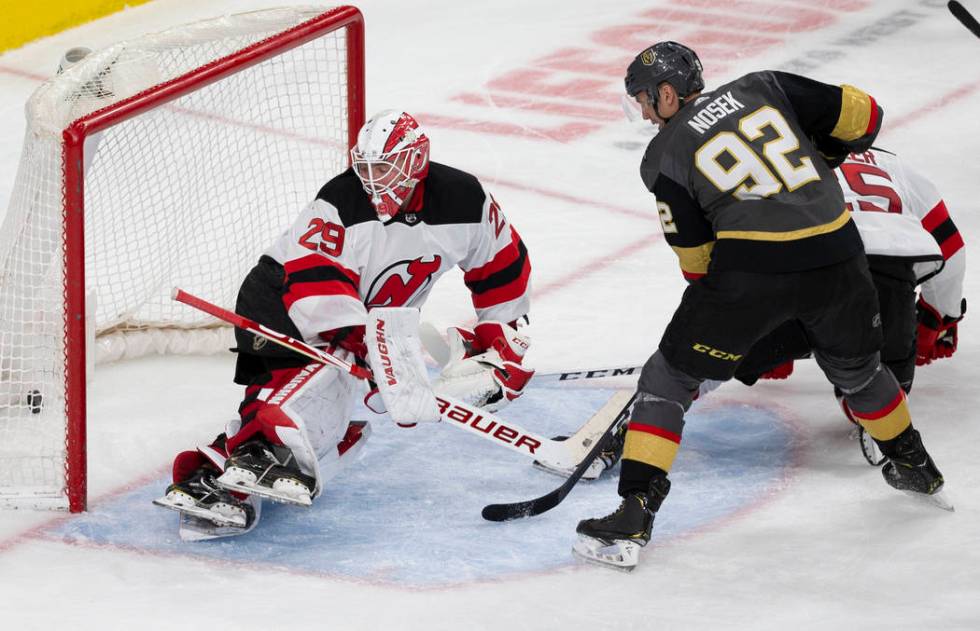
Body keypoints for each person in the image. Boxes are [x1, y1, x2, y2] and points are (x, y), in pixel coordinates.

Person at [574, 42, 948, 570]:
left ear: (665, 92)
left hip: (751, 273)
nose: (641, 111)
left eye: (642, 99)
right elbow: (868, 116)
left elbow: (698, 262)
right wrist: (825, 153)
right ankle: (915, 464)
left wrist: (741, 321)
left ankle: (633, 512)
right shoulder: (765, 85)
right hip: (841, 256)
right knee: (860, 372)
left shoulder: (662, 156)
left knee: (668, 381)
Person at [154, 110, 534, 536]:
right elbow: (316, 281)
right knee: (316, 392)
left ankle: (216, 475)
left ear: (414, 162)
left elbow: (502, 265)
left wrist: (501, 340)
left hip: (355, 323)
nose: (372, 179)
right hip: (280, 303)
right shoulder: (341, 200)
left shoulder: (465, 200)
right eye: (365, 166)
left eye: (384, 168)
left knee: (324, 416)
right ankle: (246, 460)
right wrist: (375, 350)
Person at [731, 148, 966, 458]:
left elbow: (742, 248)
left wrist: (764, 328)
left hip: (817, 273)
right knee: (887, 382)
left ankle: (671, 385)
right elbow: (951, 247)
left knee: (726, 352)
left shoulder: (779, 158)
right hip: (890, 275)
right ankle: (868, 413)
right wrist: (938, 319)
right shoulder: (894, 164)